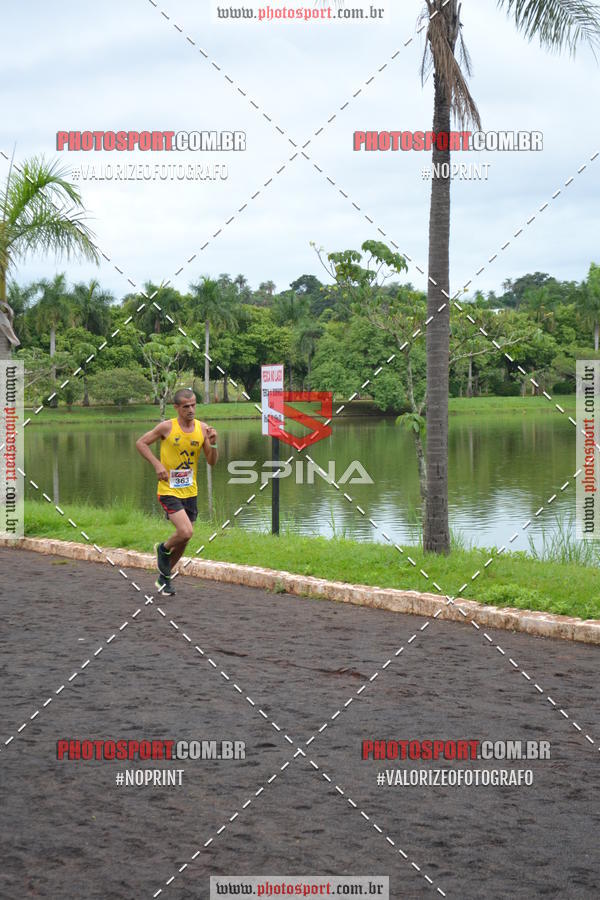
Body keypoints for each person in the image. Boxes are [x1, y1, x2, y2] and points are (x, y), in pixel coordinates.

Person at [135, 388, 218, 595]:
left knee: (185, 538)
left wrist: (213, 444)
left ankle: (164, 579)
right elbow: (141, 443)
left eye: (194, 405)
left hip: (190, 491)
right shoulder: (167, 427)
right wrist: (157, 465)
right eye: (186, 406)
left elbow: (212, 462)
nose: (191, 410)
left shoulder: (203, 429)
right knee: (186, 531)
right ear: (177, 408)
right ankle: (162, 549)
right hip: (168, 489)